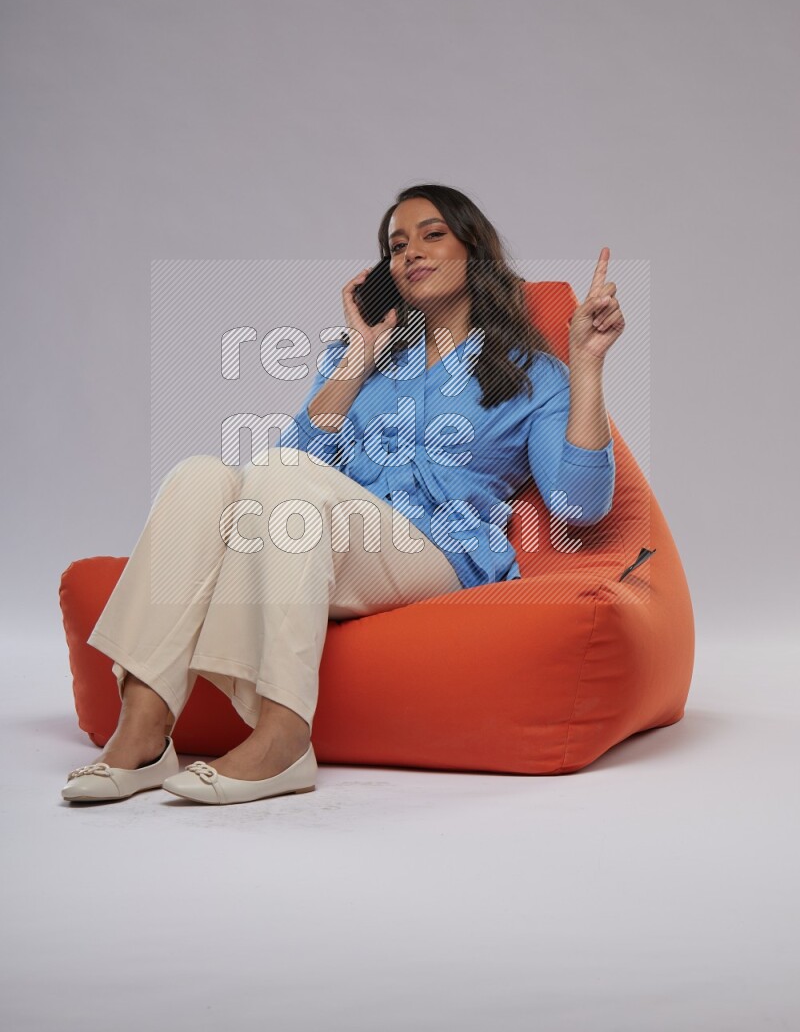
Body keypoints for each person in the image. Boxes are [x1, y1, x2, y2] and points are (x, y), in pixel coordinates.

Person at [61, 183, 624, 806]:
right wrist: (357, 355)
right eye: (397, 245)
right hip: (332, 542)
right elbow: (291, 467)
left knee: (280, 475)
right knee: (200, 476)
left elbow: (581, 505)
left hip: (440, 552)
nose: (411, 253)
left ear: (476, 252)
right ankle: (143, 728)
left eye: (432, 235)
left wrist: (588, 364)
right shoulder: (362, 361)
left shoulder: (533, 373)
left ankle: (283, 734)